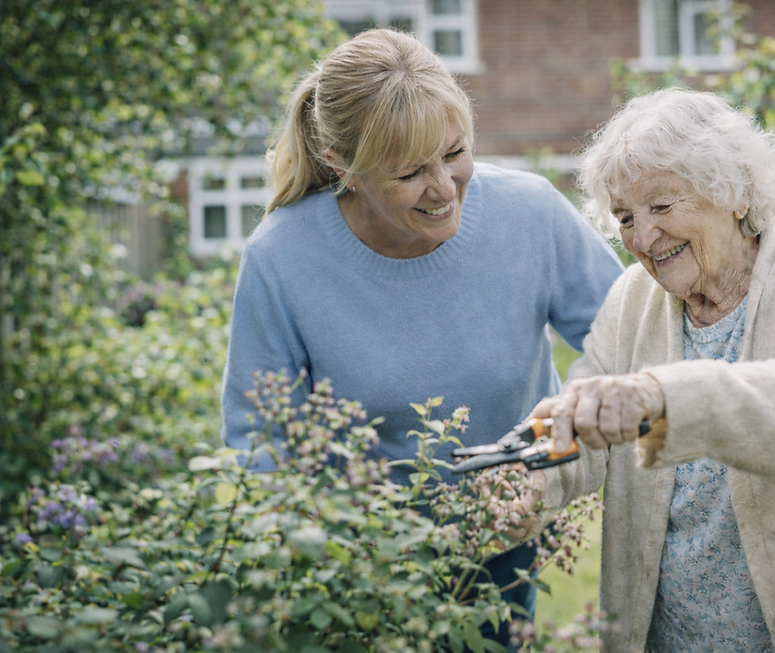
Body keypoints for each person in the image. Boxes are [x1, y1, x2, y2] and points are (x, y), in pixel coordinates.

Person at [219, 28, 624, 648]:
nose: (445, 188)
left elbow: (627, 338)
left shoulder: (530, 214)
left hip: (504, 540)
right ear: (342, 169)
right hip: (357, 562)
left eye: (455, 152)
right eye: (410, 173)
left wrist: (554, 448)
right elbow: (259, 436)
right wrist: (308, 551)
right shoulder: (284, 258)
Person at [530, 88, 775, 652]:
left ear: (736, 191)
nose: (642, 238)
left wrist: (666, 399)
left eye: (662, 206)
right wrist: (527, 476)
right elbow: (583, 420)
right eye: (625, 217)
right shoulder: (633, 299)